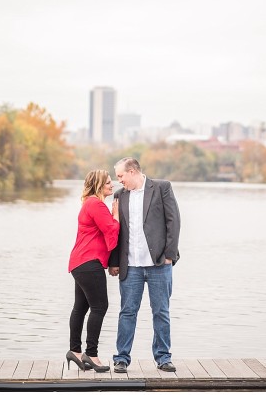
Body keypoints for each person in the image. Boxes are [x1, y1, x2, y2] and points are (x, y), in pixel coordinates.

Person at [108, 157, 181, 373]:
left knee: (161, 312)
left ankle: (163, 357)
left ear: (132, 172)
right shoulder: (120, 195)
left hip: (159, 264)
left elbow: (173, 221)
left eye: (121, 176)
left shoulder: (161, 188)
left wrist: (169, 254)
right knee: (127, 312)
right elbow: (116, 230)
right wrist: (114, 262)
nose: (118, 180)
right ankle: (121, 358)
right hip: (130, 266)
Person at [67, 170, 120, 372]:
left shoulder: (88, 203)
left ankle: (75, 351)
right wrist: (116, 216)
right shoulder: (96, 204)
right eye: (108, 183)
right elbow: (112, 230)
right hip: (90, 262)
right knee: (100, 307)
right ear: (98, 185)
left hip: (79, 263)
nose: (112, 185)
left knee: (80, 307)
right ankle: (92, 353)